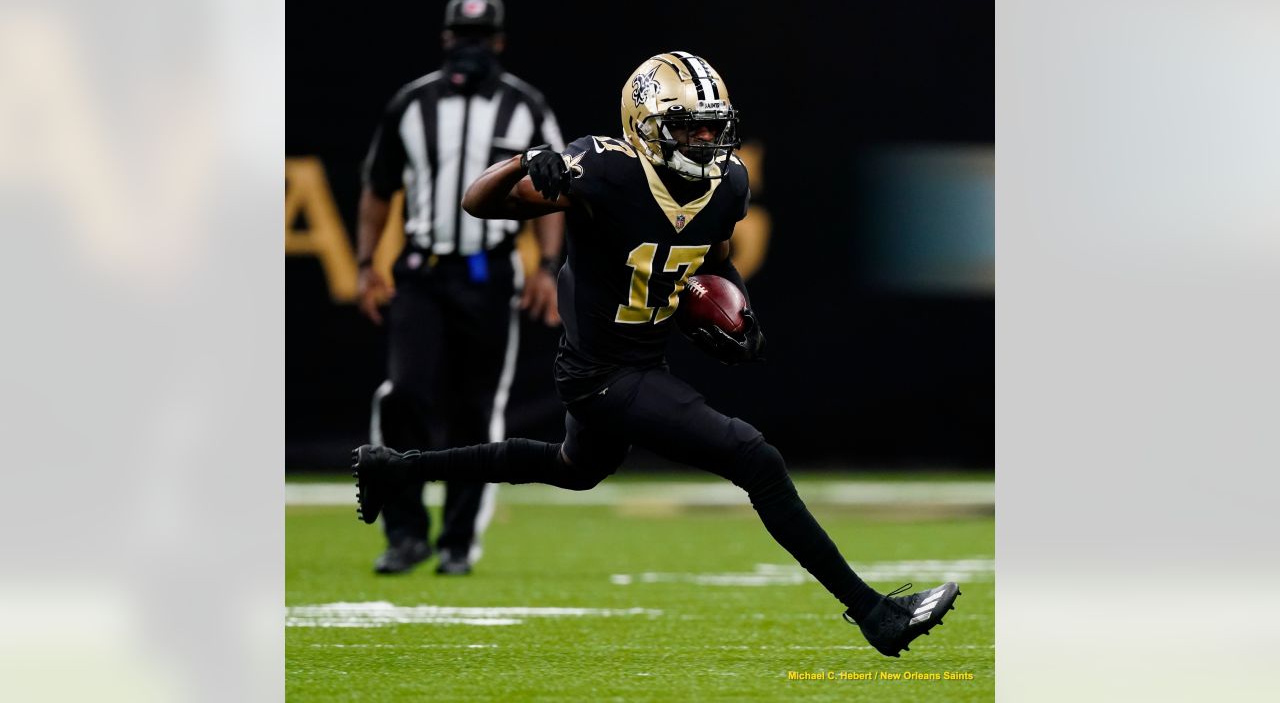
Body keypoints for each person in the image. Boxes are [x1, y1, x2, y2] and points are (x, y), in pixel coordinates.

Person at [351, 51, 959, 656]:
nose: (704, 139)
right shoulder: (604, 171)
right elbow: (478, 203)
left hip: (636, 363)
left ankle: (395, 468)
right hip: (599, 374)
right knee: (756, 458)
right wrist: (521, 164)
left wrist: (740, 309)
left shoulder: (728, 183)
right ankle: (875, 613)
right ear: (644, 127)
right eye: (688, 127)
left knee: (573, 468)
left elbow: (718, 259)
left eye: (712, 126)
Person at [354, 0, 565, 575]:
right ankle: (405, 534)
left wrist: (547, 268)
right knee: (404, 394)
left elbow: (554, 194)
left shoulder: (527, 107)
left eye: (482, 37)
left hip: (488, 272)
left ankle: (456, 542)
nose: (471, 47)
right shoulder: (412, 102)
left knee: (473, 410)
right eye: (461, 36)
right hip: (421, 272)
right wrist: (367, 261)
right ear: (446, 38)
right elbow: (378, 186)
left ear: (499, 42)